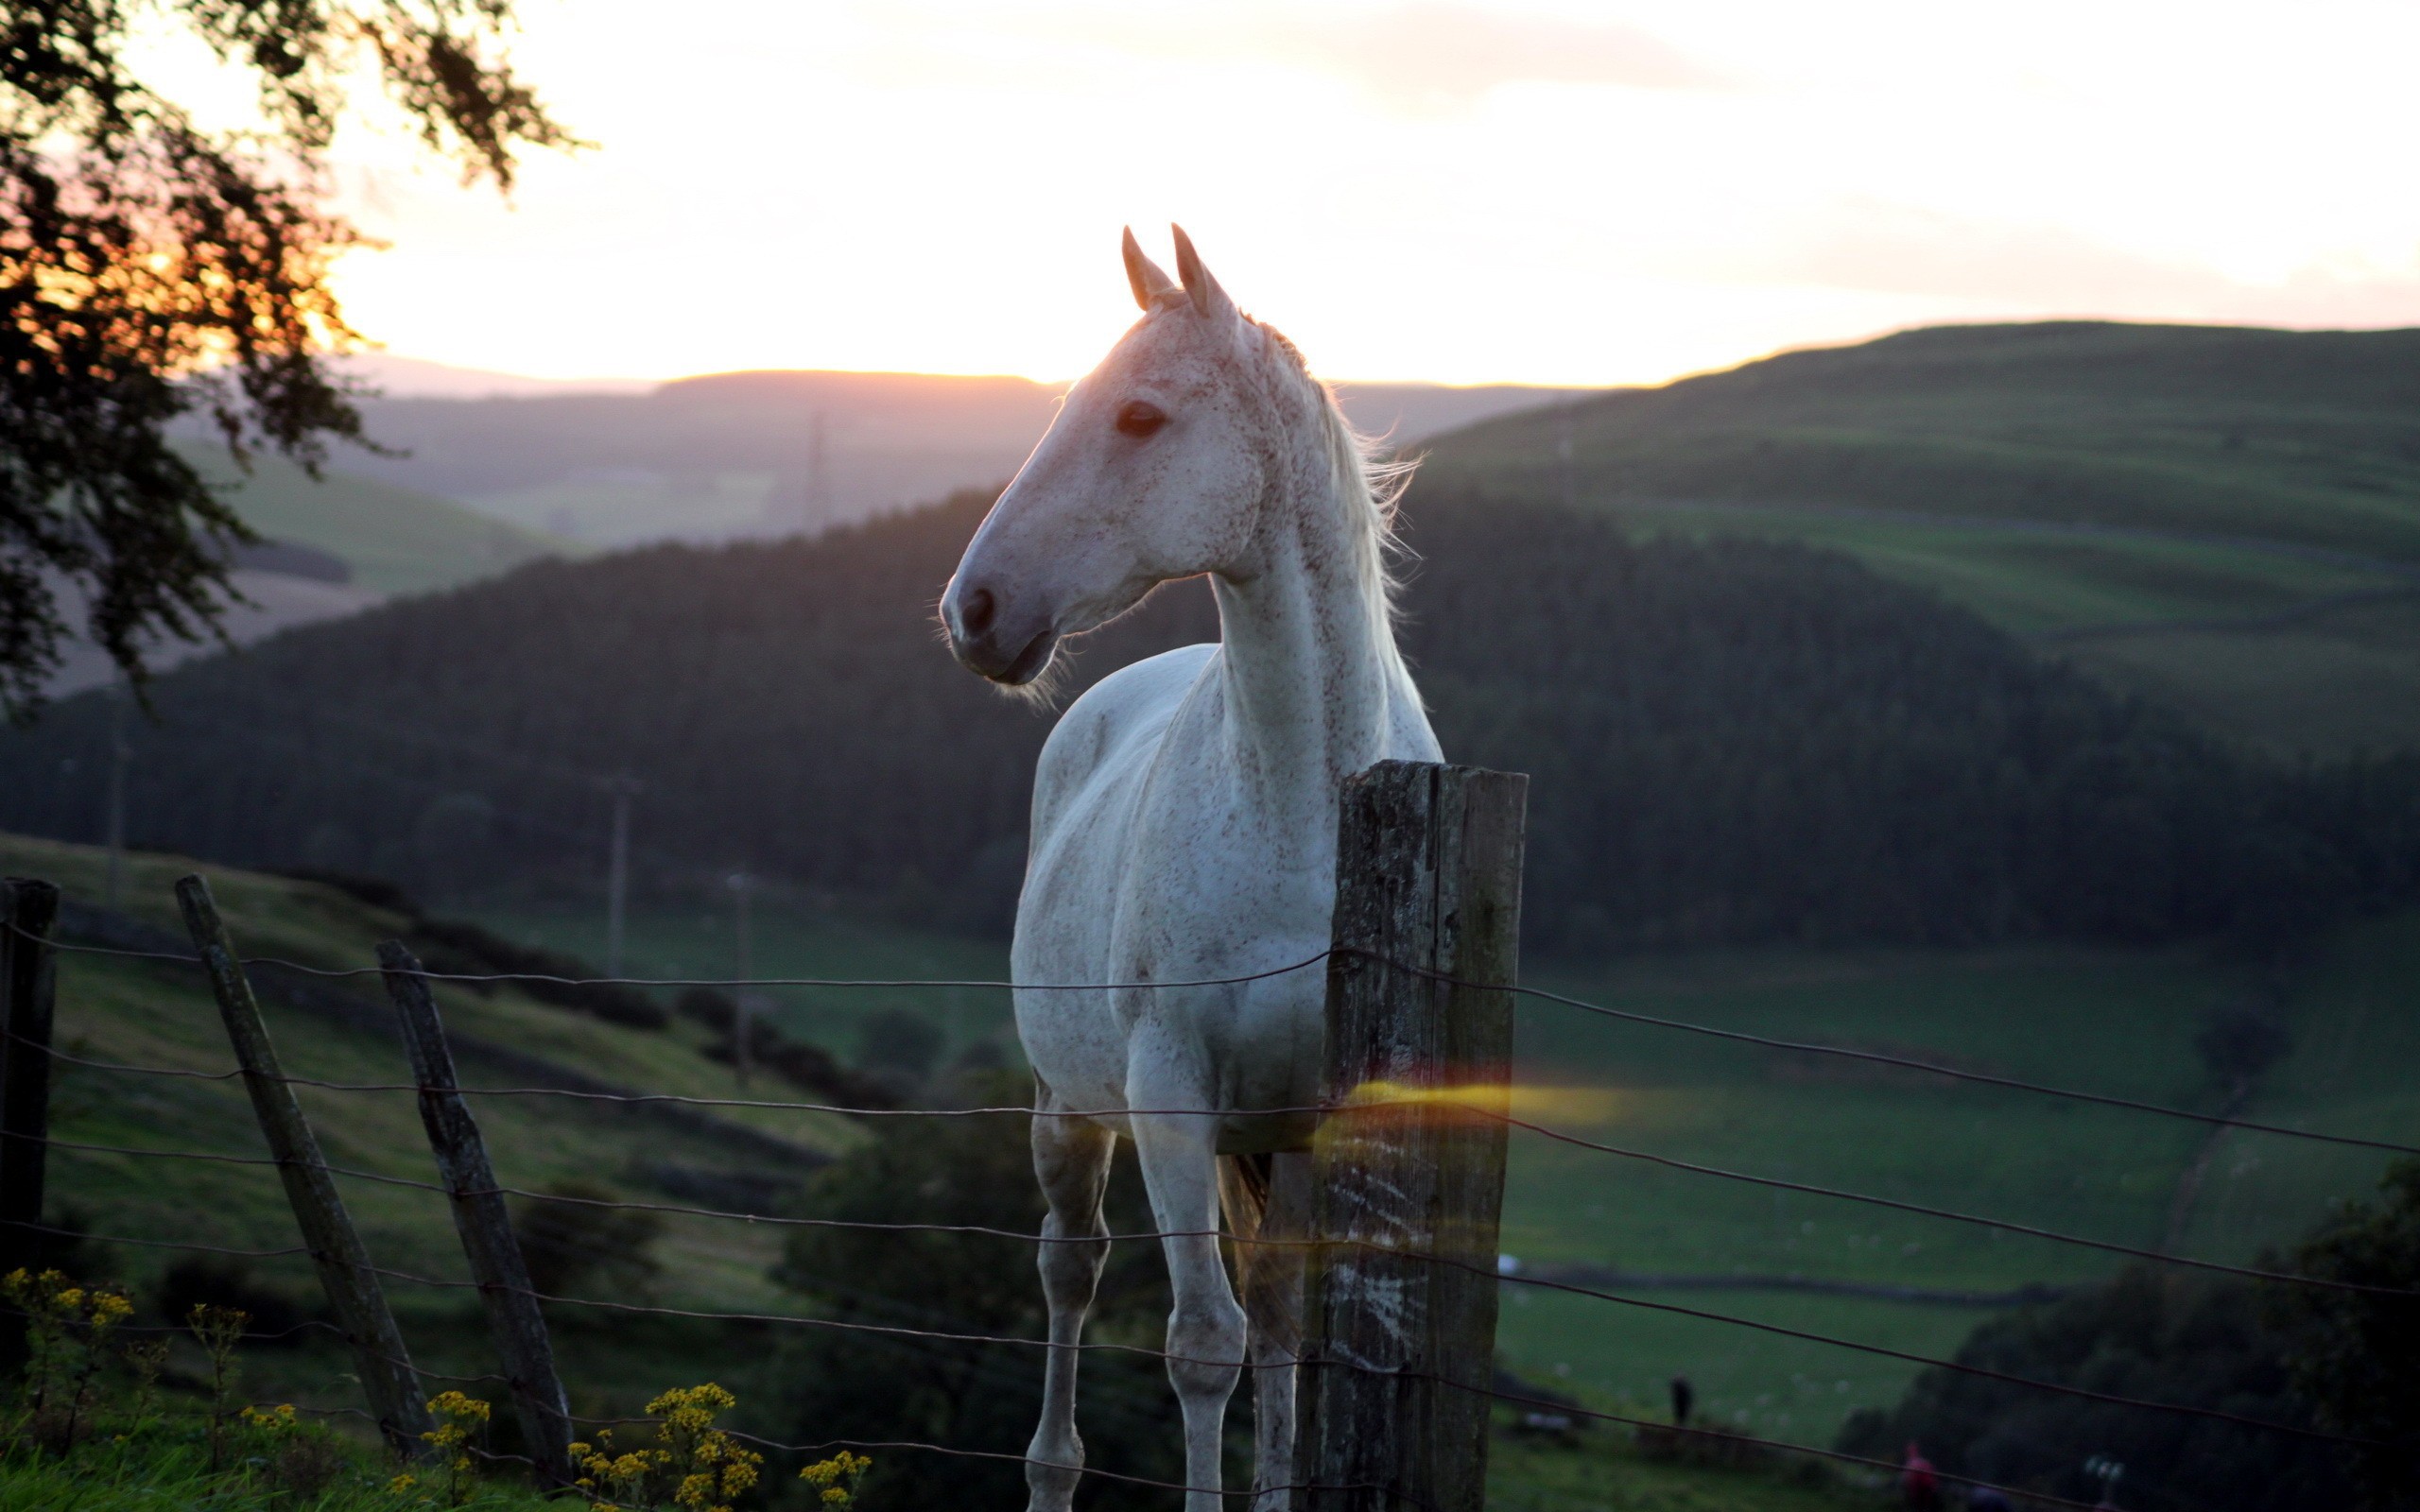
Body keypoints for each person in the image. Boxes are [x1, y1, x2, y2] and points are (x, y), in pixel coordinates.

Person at [1902, 1442, 1942, 1511]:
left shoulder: (1913, 1463)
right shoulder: (1923, 1462)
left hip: (1922, 1490)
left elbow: (1909, 1480)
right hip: (1927, 1490)